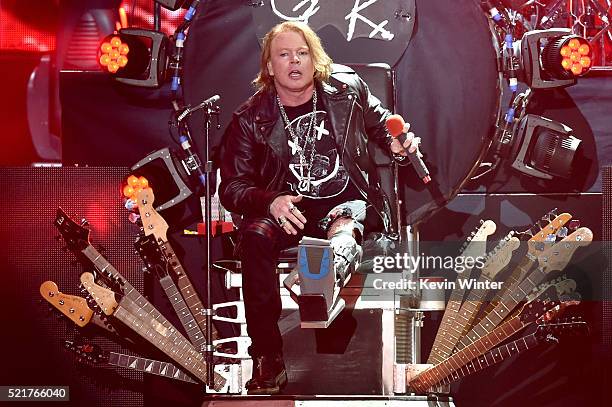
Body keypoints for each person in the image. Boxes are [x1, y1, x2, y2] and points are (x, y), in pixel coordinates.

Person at [218, 21, 419, 394]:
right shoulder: (249, 119)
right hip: (289, 209)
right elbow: (232, 186)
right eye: (283, 54)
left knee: (347, 226)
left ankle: (318, 284)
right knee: (254, 236)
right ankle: (267, 357)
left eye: (302, 52)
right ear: (269, 67)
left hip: (346, 200)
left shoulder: (347, 89)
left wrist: (398, 144)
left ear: (315, 59)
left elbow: (383, 127)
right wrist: (270, 201)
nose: (294, 61)